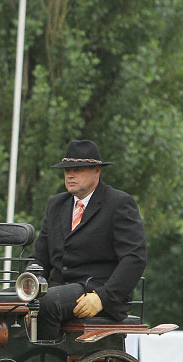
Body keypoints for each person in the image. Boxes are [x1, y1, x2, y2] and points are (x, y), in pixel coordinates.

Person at [30, 139, 146, 339]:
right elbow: (40, 257)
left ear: (97, 171)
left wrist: (103, 297)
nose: (70, 175)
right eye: (67, 170)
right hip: (58, 289)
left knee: (46, 303)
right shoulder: (56, 205)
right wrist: (29, 282)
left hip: (95, 290)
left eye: (78, 169)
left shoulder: (119, 203)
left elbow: (134, 258)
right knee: (2, 301)